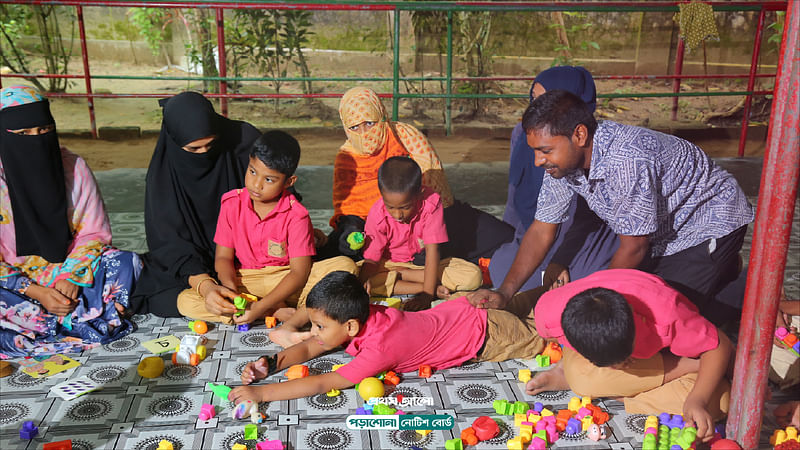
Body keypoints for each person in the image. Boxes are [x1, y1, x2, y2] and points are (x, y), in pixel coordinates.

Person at [470, 90, 754, 325]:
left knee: (657, 323)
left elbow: (634, 248)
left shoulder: (627, 161)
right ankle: (720, 274)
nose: (537, 161)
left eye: (544, 150)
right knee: (639, 302)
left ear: (579, 136)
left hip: (708, 224)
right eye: (535, 150)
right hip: (660, 235)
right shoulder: (562, 164)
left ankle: (739, 283)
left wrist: (594, 305)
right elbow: (543, 228)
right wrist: (505, 293)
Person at [228, 271, 544, 404]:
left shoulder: (379, 348)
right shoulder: (368, 313)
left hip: (487, 334)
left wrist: (262, 394)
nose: (316, 332)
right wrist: (270, 363)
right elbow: (312, 345)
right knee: (530, 302)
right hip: (467, 306)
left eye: (320, 325)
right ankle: (552, 289)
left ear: (350, 327)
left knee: (546, 335)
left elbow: (326, 382)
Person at [0, 85, 140, 357]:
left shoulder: (72, 168)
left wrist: (73, 274)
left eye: (44, 130)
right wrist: (36, 291)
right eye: (23, 134)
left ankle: (43, 324)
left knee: (126, 262)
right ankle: (84, 317)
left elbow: (94, 233)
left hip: (69, 268)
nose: (36, 139)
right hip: (15, 281)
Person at [175, 131, 355, 340]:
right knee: (185, 301)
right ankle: (282, 311)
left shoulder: (297, 215)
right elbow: (223, 258)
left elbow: (299, 273)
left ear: (289, 182)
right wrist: (231, 291)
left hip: (286, 278)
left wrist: (258, 307)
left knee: (344, 266)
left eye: (269, 179)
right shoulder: (231, 204)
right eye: (252, 172)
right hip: (246, 279)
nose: (256, 184)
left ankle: (264, 310)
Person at [527, 269, 732, 442]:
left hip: (668, 355)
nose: (619, 367)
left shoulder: (667, 313)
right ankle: (568, 371)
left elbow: (720, 345)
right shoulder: (548, 314)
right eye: (611, 364)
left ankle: (622, 389)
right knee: (582, 380)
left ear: (635, 324)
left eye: (625, 358)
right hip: (617, 364)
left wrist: (697, 399)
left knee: (723, 399)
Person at [320, 86, 513, 264]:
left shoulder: (407, 139)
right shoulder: (347, 157)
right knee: (330, 254)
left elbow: (434, 194)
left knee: (506, 239)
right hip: (374, 230)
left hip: (425, 218)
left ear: (382, 116)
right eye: (354, 127)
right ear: (345, 127)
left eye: (370, 123)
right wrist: (351, 230)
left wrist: (421, 234)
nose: (364, 134)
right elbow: (348, 207)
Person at [130, 92, 261, 317]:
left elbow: (279, 192)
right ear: (173, 141)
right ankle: (255, 304)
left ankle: (254, 305)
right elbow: (169, 242)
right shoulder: (162, 177)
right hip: (196, 263)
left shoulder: (243, 140)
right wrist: (206, 286)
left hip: (251, 254)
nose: (205, 154)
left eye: (211, 145)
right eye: (194, 149)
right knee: (159, 297)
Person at [490, 66, 618, 291]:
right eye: (534, 99)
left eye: (547, 100)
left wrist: (562, 257)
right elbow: (516, 193)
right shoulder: (523, 135)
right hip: (539, 228)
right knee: (502, 266)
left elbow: (588, 217)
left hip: (581, 232)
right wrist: (511, 236)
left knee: (575, 283)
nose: (537, 109)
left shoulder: (595, 148)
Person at [358, 157, 482, 311]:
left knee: (472, 276)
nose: (397, 215)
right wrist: (360, 285)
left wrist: (426, 295)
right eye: (390, 207)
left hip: (423, 265)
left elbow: (433, 251)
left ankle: (408, 278)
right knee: (353, 275)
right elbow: (371, 260)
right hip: (388, 264)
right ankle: (422, 285)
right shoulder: (377, 213)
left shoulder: (431, 204)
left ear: (419, 193)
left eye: (405, 207)